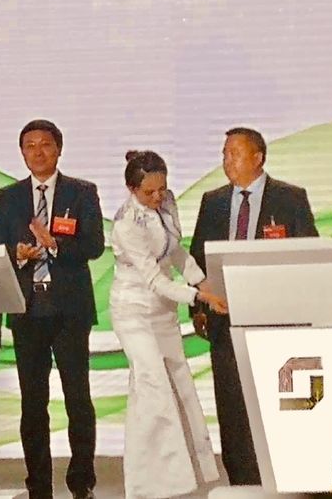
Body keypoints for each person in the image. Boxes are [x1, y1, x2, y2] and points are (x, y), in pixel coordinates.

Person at [190, 127, 318, 485]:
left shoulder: (290, 198)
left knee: (276, 404)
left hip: (276, 321)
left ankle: (283, 479)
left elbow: (307, 253)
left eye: (235, 153)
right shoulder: (213, 201)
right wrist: (198, 309)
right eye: (224, 154)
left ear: (258, 157)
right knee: (232, 407)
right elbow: (197, 257)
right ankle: (242, 482)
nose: (227, 161)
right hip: (226, 318)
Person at [0, 119, 104, 499]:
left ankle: (81, 482)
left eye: (45, 145)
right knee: (33, 404)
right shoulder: (9, 196)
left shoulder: (82, 192)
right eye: (30, 145)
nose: (37, 152)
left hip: (70, 310)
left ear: (58, 149)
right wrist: (18, 254)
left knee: (78, 399)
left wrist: (54, 244)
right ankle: (38, 486)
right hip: (28, 310)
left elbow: (94, 245)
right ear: (22, 152)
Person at [109, 150, 224, 498]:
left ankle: (184, 475)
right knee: (151, 386)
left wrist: (202, 281)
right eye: (150, 192)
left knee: (178, 381)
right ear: (132, 189)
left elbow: (177, 252)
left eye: (162, 188)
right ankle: (149, 482)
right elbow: (154, 280)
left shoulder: (167, 202)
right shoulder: (126, 224)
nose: (158, 196)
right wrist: (199, 297)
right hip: (133, 309)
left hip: (163, 311)